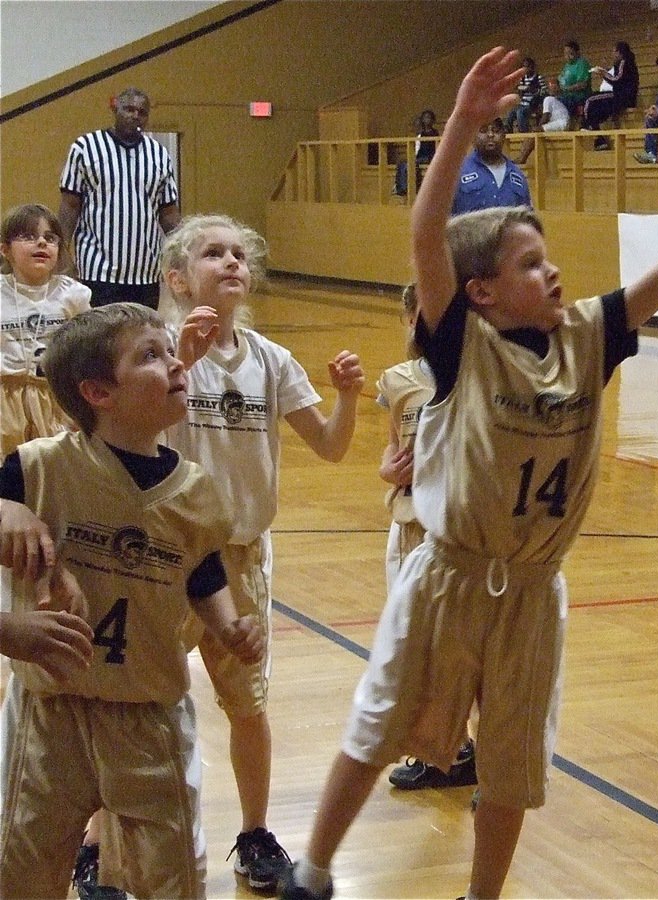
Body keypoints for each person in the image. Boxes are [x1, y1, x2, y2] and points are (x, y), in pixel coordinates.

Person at [279, 46, 658, 900]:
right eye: (527, 264)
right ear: (480, 292)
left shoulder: (590, 335)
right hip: (448, 576)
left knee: (511, 761)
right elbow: (423, 232)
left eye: (547, 257)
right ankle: (315, 867)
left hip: (534, 585)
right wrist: (464, 124)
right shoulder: (460, 346)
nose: (551, 270)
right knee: (380, 724)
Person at [0, 302, 266, 899]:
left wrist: (227, 624)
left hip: (148, 709)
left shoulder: (195, 490)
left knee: (174, 878)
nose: (176, 363)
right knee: (21, 869)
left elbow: (201, 570)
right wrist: (6, 507)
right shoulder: (36, 467)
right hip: (51, 712)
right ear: (97, 391)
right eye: (151, 354)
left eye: (172, 351)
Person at [159, 213, 362, 893]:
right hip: (164, 554)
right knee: (129, 702)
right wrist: (180, 363)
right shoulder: (156, 348)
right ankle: (98, 839)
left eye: (241, 254)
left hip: (241, 558)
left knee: (247, 704)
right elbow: (128, 431)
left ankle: (254, 832)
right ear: (177, 278)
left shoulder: (272, 361)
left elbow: (331, 447)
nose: (232, 262)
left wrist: (349, 397)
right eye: (213, 253)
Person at [374, 285, 480, 793]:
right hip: (414, 527)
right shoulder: (397, 382)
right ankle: (450, 747)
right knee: (421, 644)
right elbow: (392, 451)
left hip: (466, 527)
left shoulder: (481, 374)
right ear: (410, 317)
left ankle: (472, 748)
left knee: (470, 645)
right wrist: (388, 468)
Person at [58, 87, 180, 310]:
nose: (135, 116)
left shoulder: (160, 155)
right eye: (129, 109)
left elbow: (169, 213)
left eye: (142, 112)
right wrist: (62, 254)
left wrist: (183, 254)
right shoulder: (85, 147)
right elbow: (70, 205)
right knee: (101, 340)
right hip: (97, 270)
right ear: (114, 108)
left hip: (146, 272)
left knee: (141, 338)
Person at [1, 204, 92, 456]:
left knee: (54, 469)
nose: (41, 242)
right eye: (28, 236)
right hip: (5, 399)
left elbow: (85, 352)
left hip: (55, 397)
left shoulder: (73, 295)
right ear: (5, 249)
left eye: (50, 238)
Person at [452, 118, 532, 215]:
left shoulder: (518, 176)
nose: (490, 135)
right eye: (483, 131)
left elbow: (527, 221)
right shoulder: (458, 172)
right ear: (472, 136)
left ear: (504, 136)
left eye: (496, 131)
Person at [582, 42, 640, 149]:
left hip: (623, 97)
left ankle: (586, 125)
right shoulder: (625, 63)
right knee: (595, 110)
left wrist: (603, 74)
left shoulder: (624, 62)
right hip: (621, 96)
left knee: (589, 99)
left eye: (614, 51)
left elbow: (617, 80)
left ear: (620, 52)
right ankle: (599, 139)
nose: (612, 54)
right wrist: (604, 73)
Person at [516, 78, 571, 166]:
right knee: (533, 132)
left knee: (535, 131)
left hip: (561, 123)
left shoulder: (547, 99)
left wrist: (538, 127)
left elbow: (545, 116)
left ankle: (523, 157)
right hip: (562, 122)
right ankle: (521, 156)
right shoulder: (554, 101)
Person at [395, 109, 439, 197]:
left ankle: (406, 188)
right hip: (420, 157)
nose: (427, 120)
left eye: (428, 118)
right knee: (402, 163)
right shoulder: (421, 134)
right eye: (425, 118)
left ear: (432, 120)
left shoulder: (435, 133)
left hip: (429, 157)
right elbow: (418, 148)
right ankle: (400, 187)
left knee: (411, 164)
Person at [506, 58, 548, 135]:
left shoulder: (538, 78)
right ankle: (508, 132)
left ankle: (524, 133)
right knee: (511, 112)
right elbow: (520, 92)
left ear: (532, 67)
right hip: (523, 103)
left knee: (520, 112)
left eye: (528, 67)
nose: (526, 69)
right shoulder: (523, 78)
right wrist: (520, 90)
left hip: (533, 104)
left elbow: (544, 92)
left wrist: (533, 90)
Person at [557, 40, 592, 114]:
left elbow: (582, 84)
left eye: (571, 53)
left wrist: (567, 88)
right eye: (566, 54)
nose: (568, 56)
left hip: (579, 97)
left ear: (577, 53)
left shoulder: (581, 64)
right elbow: (561, 80)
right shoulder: (567, 66)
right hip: (566, 96)